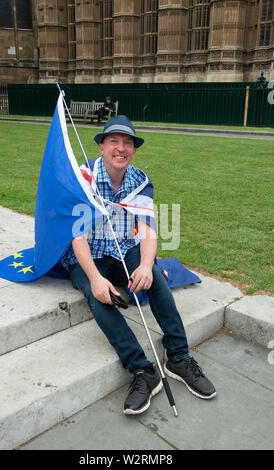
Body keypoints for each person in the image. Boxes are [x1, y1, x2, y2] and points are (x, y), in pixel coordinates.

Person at [61, 115, 216, 415]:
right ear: (102, 146)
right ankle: (143, 371)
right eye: (114, 141)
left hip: (123, 248)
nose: (121, 148)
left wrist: (146, 265)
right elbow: (77, 235)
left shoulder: (139, 181)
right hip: (88, 254)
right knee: (100, 295)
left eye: (128, 143)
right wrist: (94, 277)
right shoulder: (84, 176)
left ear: (133, 150)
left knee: (154, 276)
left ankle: (179, 357)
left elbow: (147, 230)